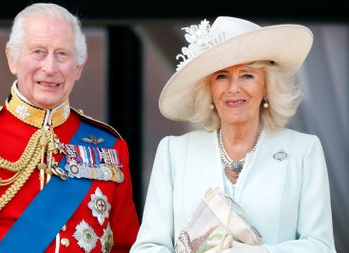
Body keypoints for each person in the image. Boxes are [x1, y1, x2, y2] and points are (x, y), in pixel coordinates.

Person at [0, 3, 139, 253]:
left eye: (62, 54)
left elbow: (125, 246)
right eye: (38, 52)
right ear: (12, 58)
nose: (50, 68)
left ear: (79, 67)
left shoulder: (109, 147)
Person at [130, 16, 336, 253]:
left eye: (247, 75)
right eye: (221, 76)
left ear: (267, 86)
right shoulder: (174, 152)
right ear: (209, 87)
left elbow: (321, 246)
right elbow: (147, 247)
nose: (233, 88)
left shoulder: (303, 150)